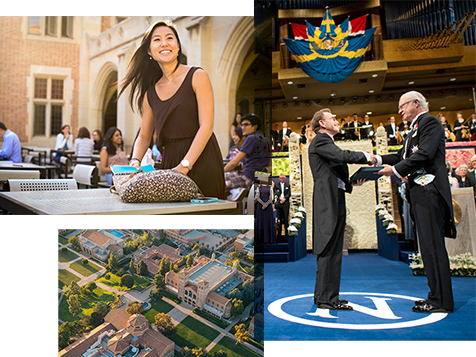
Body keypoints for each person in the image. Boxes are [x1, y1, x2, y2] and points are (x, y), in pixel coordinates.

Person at [118, 20, 225, 199]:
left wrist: (185, 166)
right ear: (149, 51)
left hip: (202, 158)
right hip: (169, 162)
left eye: (170, 38)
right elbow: (144, 136)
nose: (164, 43)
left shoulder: (197, 76)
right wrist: (135, 161)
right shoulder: (149, 93)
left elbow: (206, 127)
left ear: (177, 46)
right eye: (157, 39)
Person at [374, 90, 456, 313]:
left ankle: (442, 301)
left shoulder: (430, 123)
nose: (399, 111)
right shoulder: (414, 129)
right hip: (419, 193)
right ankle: (435, 295)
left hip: (429, 192)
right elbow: (403, 155)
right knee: (427, 248)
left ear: (416, 103)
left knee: (433, 247)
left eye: (402, 106)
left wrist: (396, 170)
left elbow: (425, 154)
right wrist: (378, 159)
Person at [309, 108, 372, 310]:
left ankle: (323, 296)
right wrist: (366, 156)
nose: (337, 121)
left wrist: (351, 183)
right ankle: (328, 299)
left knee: (331, 249)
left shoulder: (326, 143)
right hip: (328, 203)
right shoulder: (321, 140)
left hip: (333, 199)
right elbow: (341, 155)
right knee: (330, 248)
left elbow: (332, 175)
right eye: (332, 118)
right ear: (321, 123)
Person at [224, 114, 271, 193]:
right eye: (242, 125)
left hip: (248, 177)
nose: (243, 127)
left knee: (218, 182)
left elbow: (234, 163)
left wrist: (221, 172)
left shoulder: (251, 138)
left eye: (246, 125)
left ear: (255, 127)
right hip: (257, 177)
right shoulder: (263, 138)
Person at [273, 175, 291, 239]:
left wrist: (284, 199)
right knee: (279, 218)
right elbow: (275, 193)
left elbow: (289, 194)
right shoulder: (277, 185)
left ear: (285, 179)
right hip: (279, 203)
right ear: (279, 179)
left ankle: (286, 233)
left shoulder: (287, 185)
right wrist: (280, 199)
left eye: (283, 178)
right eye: (281, 178)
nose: (282, 179)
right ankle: (279, 233)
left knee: (286, 218)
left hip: (285, 203)